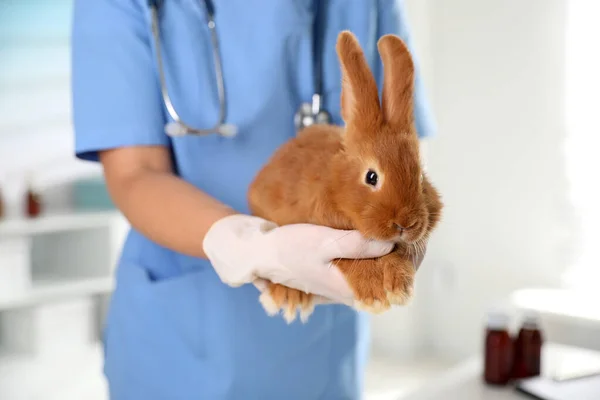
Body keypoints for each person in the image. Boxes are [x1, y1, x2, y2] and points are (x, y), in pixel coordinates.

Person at [71, 0, 435, 399]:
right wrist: (243, 241)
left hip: (322, 353)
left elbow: (398, 145)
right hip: (181, 347)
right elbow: (134, 171)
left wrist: (406, 241)